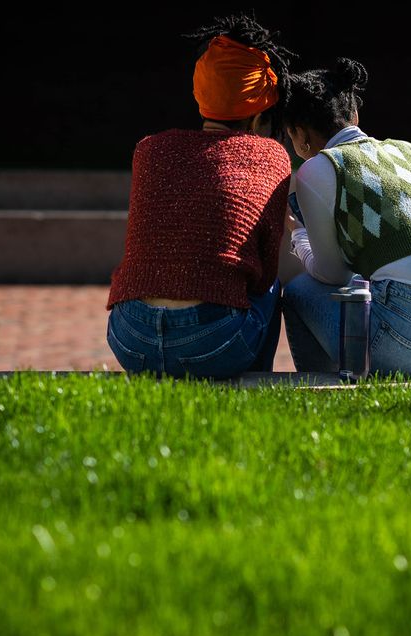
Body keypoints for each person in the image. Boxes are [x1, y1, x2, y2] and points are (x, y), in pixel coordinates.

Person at [105, 13, 296, 379]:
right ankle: (254, 386)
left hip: (130, 338)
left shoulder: (149, 149)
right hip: (213, 343)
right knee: (271, 287)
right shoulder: (270, 156)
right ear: (259, 111)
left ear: (201, 95)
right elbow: (263, 273)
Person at [281, 58, 411, 378]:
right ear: (354, 115)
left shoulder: (318, 169)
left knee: (298, 291)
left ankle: (322, 395)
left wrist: (299, 237)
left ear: (298, 133)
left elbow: (331, 276)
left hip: (408, 344)